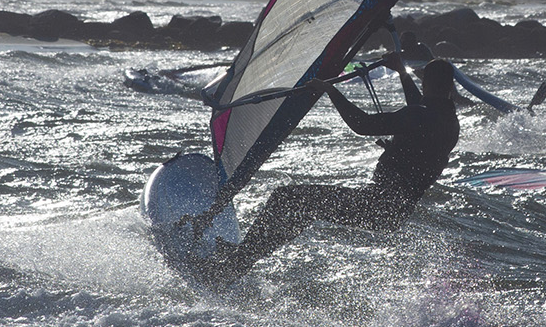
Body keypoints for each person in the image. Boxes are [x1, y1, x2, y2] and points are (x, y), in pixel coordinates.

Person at [198, 55, 461, 285]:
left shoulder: (421, 116)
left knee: (287, 199)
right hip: (392, 210)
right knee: (299, 209)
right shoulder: (447, 121)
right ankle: (240, 257)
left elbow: (362, 124)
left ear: (426, 83)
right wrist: (401, 71)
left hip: (378, 205)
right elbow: (421, 106)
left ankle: (234, 266)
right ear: (450, 87)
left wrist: (330, 91)